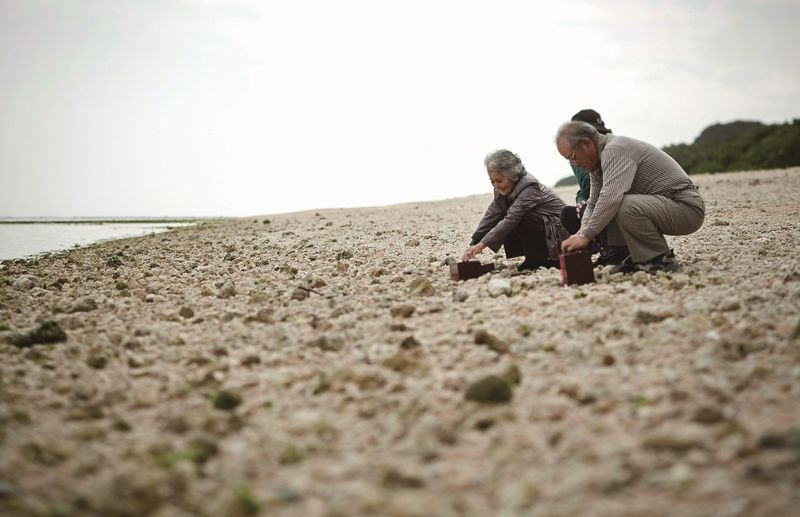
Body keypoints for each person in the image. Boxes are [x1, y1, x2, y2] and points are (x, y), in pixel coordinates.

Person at [556, 121, 705, 273]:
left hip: (686, 208)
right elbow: (593, 202)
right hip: (665, 205)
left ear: (586, 143)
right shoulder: (597, 164)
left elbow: (611, 198)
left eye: (572, 157)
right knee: (606, 206)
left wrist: (586, 236)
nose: (573, 164)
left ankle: (659, 259)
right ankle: (631, 257)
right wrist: (582, 231)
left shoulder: (615, 150)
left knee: (621, 204)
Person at [463, 149, 568, 271]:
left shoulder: (529, 186)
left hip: (560, 231)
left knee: (518, 218)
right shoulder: (501, 189)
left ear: (512, 175)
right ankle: (534, 258)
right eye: (492, 181)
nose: (496, 185)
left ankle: (537, 260)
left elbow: (512, 218)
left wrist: (482, 245)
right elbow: (492, 213)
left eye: (499, 181)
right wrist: (474, 242)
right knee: (503, 216)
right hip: (545, 226)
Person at [559, 109, 628, 265]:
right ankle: (599, 249)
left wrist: (586, 232)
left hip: (620, 206)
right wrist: (581, 199)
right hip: (600, 205)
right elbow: (586, 189)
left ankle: (615, 251)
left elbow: (608, 192)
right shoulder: (581, 156)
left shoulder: (612, 151)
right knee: (569, 213)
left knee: (592, 207)